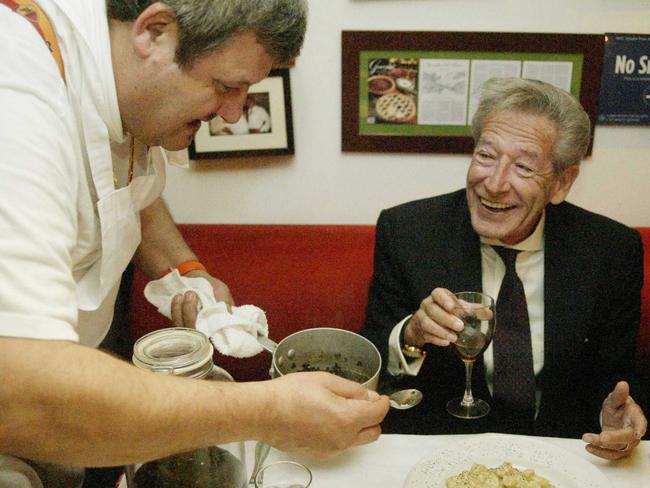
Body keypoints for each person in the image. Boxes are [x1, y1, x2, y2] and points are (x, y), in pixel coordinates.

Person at [0, 1, 389, 486]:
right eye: (226, 87)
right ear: (155, 32)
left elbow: (127, 189)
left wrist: (186, 271)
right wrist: (268, 411)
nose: (231, 114)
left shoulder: (121, 89)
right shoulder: (17, 92)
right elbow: (23, 391)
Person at [362, 77, 647, 460]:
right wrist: (412, 334)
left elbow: (615, 376)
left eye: (524, 167)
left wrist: (613, 417)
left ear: (562, 183)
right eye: (486, 155)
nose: (493, 184)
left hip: (559, 456)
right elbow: (369, 366)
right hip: (441, 452)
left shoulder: (611, 251)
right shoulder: (408, 232)